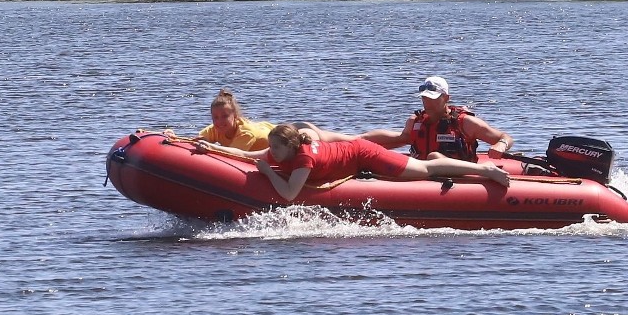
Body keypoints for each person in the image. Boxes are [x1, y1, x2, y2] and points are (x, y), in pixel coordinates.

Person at [202, 124, 510, 201]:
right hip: (350, 152)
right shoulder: (283, 150)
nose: (269, 153)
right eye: (270, 150)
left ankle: (485, 169)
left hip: (364, 154)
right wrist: (210, 148)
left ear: (288, 147)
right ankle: (445, 160)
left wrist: (268, 172)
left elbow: (289, 194)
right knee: (424, 167)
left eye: (273, 150)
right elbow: (248, 155)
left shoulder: (302, 158)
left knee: (424, 170)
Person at [359, 76, 514, 162]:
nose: (427, 102)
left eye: (433, 98)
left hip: (458, 176)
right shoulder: (416, 121)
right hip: (424, 175)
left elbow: (504, 137)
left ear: (446, 98)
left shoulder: (465, 123)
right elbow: (398, 139)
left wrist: (501, 145)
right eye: (425, 98)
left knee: (434, 157)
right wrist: (360, 143)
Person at [165, 89, 351, 150]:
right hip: (280, 129)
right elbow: (197, 141)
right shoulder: (214, 129)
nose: (219, 121)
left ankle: (376, 143)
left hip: (298, 133)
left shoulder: (245, 134)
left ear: (235, 117)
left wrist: (208, 146)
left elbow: (231, 155)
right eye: (215, 117)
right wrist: (175, 138)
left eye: (224, 117)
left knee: (354, 140)